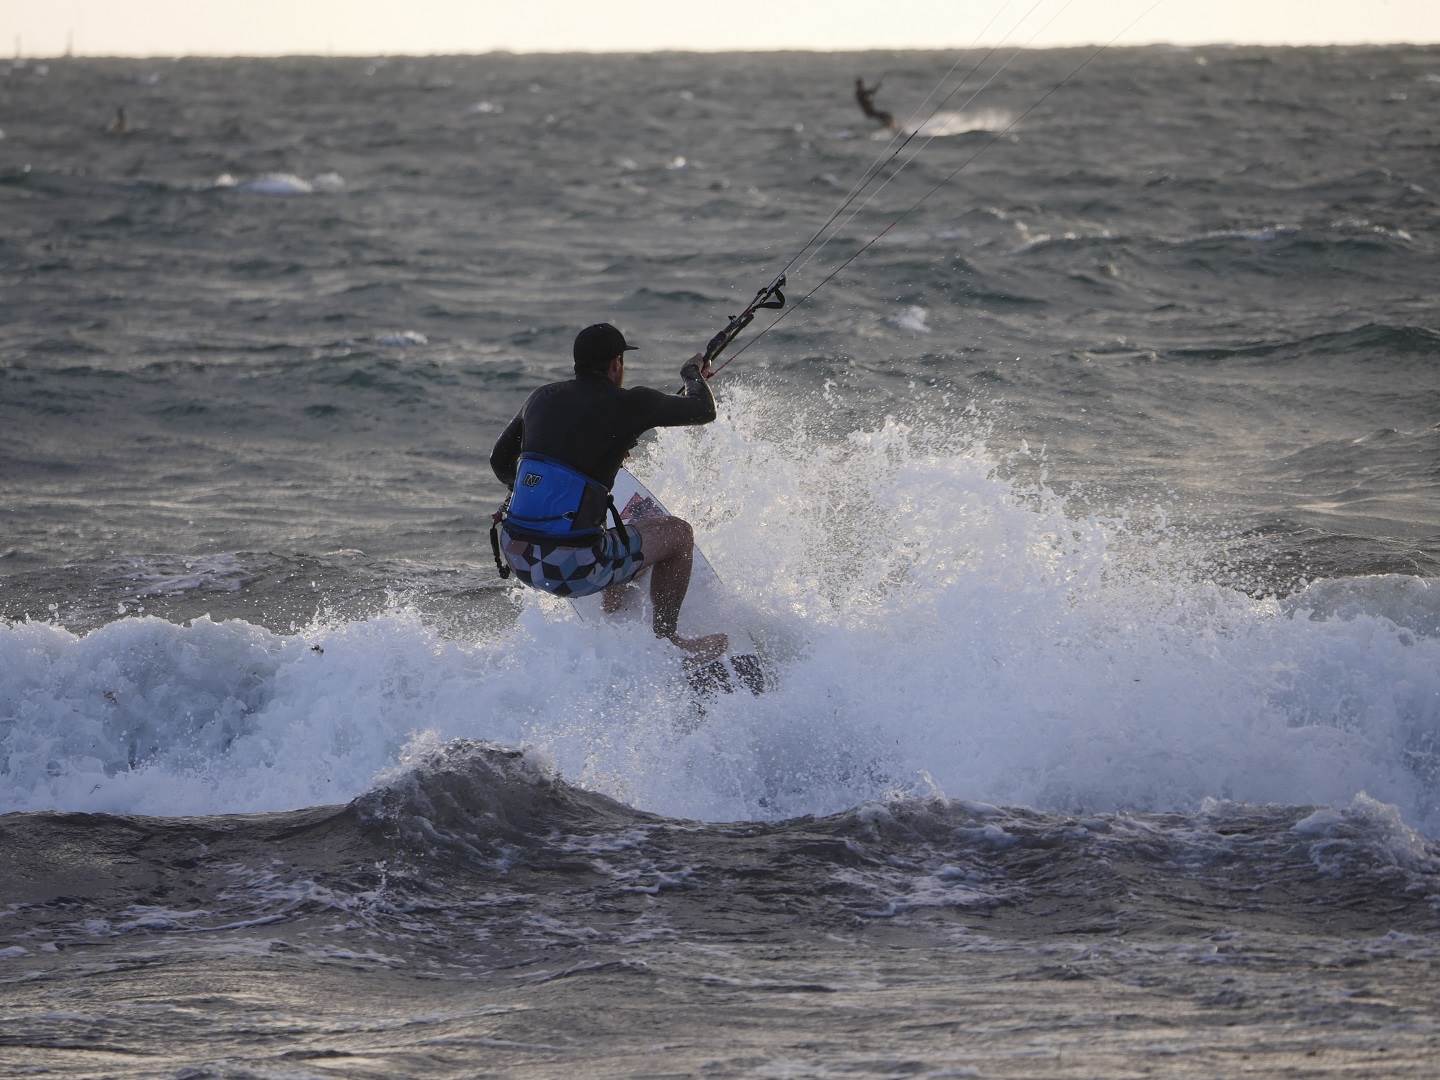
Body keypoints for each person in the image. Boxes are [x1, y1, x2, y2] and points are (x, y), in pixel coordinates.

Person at [490, 323, 728, 661]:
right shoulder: (632, 403)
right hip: (570, 567)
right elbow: (704, 411)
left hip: (517, 554)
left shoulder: (540, 398)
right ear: (616, 364)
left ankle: (613, 611)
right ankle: (668, 642)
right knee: (678, 534)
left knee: (613, 529)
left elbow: (500, 462)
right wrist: (692, 374)